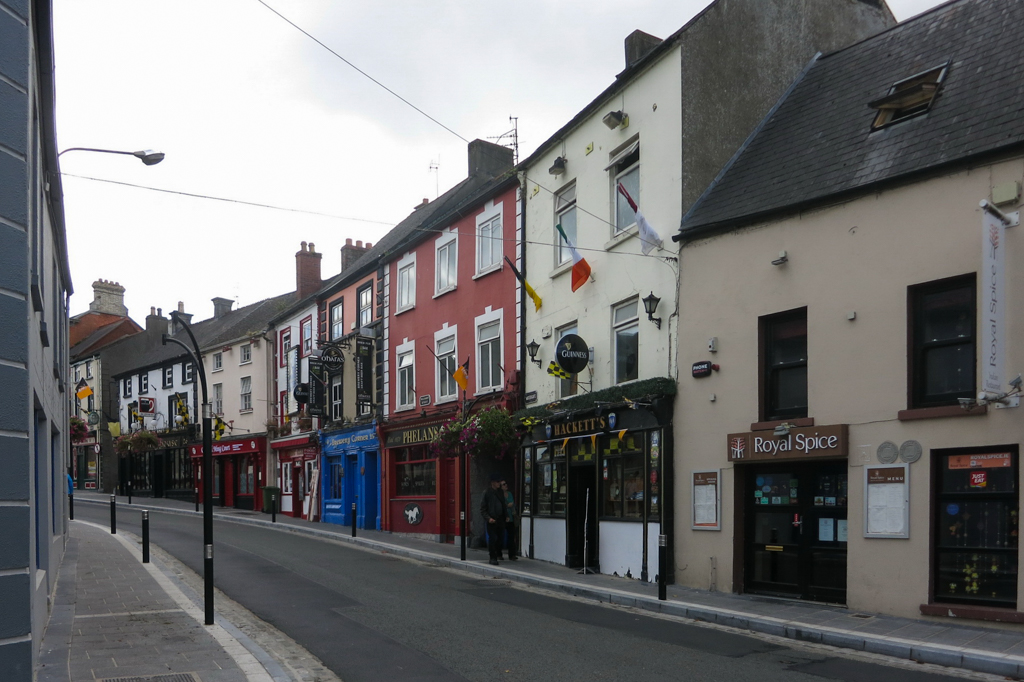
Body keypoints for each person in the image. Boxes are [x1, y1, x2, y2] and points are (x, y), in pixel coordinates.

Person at [480, 473, 506, 565]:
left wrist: (506, 515)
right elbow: (483, 508)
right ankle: (493, 557)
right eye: (498, 481)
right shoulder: (487, 493)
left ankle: (498, 553)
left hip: (500, 518)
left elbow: (503, 504)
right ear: (493, 482)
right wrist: (488, 518)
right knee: (493, 539)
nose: (499, 483)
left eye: (500, 481)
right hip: (492, 519)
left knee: (500, 538)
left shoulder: (500, 492)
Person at [501, 480, 517, 561]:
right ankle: (499, 553)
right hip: (503, 517)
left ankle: (512, 554)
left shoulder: (509, 494)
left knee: (511, 536)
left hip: (511, 517)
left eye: (506, 484)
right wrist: (507, 505)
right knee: (501, 536)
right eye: (504, 484)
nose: (506, 485)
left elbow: (513, 503)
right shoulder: (499, 495)